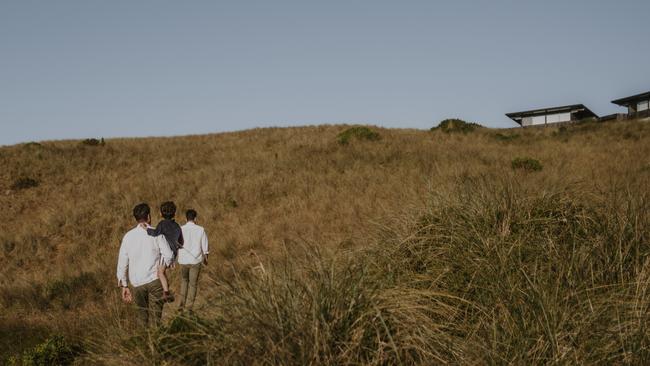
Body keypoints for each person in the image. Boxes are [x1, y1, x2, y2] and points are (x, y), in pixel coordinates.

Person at [117, 203, 173, 327]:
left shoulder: (128, 237)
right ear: (148, 216)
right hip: (155, 281)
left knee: (142, 320)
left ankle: (144, 344)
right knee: (156, 320)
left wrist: (124, 285)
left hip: (137, 284)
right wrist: (163, 267)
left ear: (136, 218)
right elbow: (168, 255)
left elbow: (122, 262)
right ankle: (157, 343)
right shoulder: (156, 233)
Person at [143, 201, 184, 303]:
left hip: (166, 253)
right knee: (162, 271)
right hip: (174, 253)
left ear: (161, 214)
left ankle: (166, 293)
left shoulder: (162, 224)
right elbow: (181, 242)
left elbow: (156, 233)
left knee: (160, 272)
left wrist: (146, 229)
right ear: (174, 213)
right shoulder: (177, 226)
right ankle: (165, 291)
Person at [178, 209, 209, 311]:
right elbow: (205, 246)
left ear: (185, 218)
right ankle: (189, 307)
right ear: (195, 218)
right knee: (193, 284)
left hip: (183, 260)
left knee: (184, 281)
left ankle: (181, 305)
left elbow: (177, 244)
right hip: (195, 261)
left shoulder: (180, 229)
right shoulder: (200, 229)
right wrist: (206, 258)